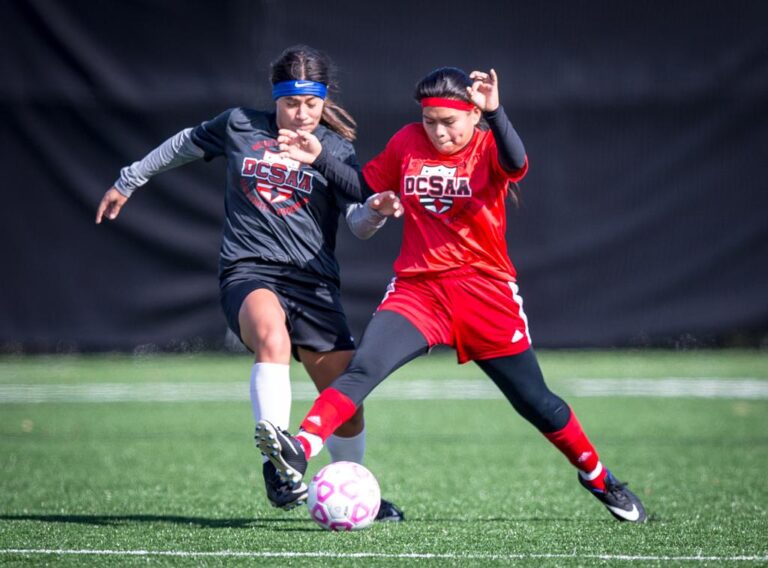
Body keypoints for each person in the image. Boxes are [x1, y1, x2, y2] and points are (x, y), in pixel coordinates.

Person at [256, 66, 648, 523]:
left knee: (536, 402)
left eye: (449, 122)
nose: (438, 131)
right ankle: (300, 448)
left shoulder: (487, 145)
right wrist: (320, 157)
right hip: (418, 290)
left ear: (471, 116)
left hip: (485, 293)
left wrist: (496, 111)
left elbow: (518, 162)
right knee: (365, 366)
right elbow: (365, 186)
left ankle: (599, 478)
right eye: (430, 121)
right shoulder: (406, 142)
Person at [95, 45, 405, 521]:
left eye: (311, 104)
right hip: (250, 269)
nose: (300, 115)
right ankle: (277, 467)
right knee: (271, 336)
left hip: (314, 282)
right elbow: (182, 143)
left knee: (347, 400)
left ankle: (351, 486)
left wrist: (378, 212)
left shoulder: (336, 149)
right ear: (275, 97)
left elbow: (358, 221)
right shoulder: (240, 125)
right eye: (290, 103)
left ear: (324, 100)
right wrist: (129, 179)